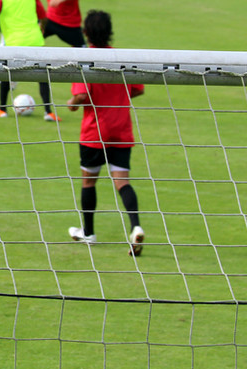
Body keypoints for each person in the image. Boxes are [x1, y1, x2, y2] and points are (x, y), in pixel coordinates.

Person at [65, 10, 145, 256]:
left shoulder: (85, 58)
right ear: (109, 31)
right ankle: (135, 227)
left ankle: (88, 233)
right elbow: (138, 89)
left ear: (86, 32)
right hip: (121, 131)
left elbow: (81, 95)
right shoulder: (121, 57)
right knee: (122, 181)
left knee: (89, 181)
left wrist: (72, 103)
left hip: (94, 133)